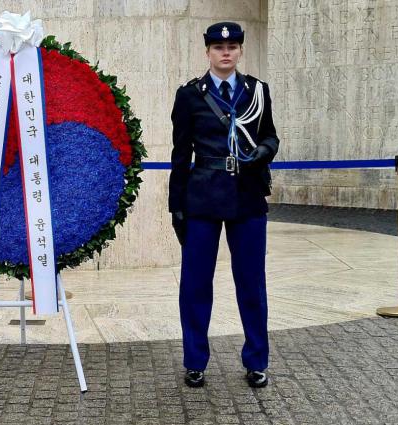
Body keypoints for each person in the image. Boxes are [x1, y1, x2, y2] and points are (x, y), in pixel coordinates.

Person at [169, 21, 279, 388]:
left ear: (241, 50)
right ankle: (195, 360)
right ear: (208, 52)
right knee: (196, 284)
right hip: (202, 199)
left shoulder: (257, 92)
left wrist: (263, 151)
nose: (226, 52)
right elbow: (180, 154)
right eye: (218, 47)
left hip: (248, 198)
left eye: (232, 46)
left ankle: (256, 361)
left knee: (251, 283)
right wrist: (176, 206)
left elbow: (270, 135)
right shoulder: (189, 96)